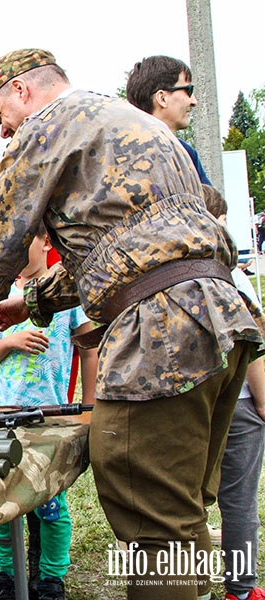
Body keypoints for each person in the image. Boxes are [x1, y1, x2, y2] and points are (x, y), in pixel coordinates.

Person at [0, 48, 264, 600]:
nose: (3, 133)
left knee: (148, 512)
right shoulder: (133, 124)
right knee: (179, 509)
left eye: (1, 117)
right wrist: (35, 301)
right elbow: (131, 248)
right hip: (220, 316)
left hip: (165, 328)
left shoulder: (46, 127)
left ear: (21, 90)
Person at [0, 226, 99, 600]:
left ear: (46, 242)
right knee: (3, 502)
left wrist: (89, 404)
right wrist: (9, 342)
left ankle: (51, 576)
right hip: (2, 416)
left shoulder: (65, 293)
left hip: (50, 417)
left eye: (26, 243)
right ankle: (7, 573)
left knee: (51, 503)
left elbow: (88, 348)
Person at [200, 185, 265, 600]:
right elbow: (255, 343)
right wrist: (261, 400)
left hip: (188, 406)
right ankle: (240, 590)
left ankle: (194, 587)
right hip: (238, 403)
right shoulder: (233, 276)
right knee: (238, 501)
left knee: (187, 503)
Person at [125, 55, 212, 185]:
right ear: (162, 98)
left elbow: (211, 204)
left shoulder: (186, 153)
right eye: (188, 91)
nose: (194, 101)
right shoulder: (120, 153)